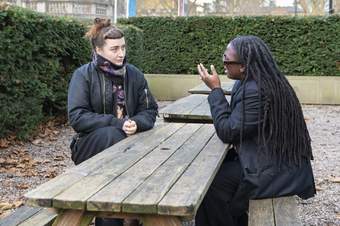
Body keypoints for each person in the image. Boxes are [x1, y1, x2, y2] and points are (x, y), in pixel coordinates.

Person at [196, 35, 316, 226]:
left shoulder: (256, 91)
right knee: (210, 173)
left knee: (210, 188)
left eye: (227, 60)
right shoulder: (252, 81)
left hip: (275, 170)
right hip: (269, 158)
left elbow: (227, 131)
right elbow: (235, 126)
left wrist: (216, 91)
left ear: (243, 66)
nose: (223, 64)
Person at [67, 18, 158, 226]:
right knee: (114, 135)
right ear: (98, 50)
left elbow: (150, 110)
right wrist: (117, 123)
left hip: (130, 147)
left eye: (123, 47)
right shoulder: (83, 75)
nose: (121, 53)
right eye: (114, 48)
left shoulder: (134, 74)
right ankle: (130, 214)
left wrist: (137, 122)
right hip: (89, 145)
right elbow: (77, 117)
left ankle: (123, 212)